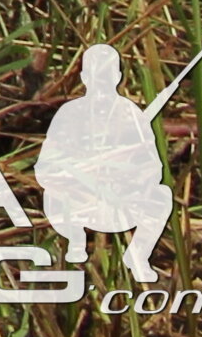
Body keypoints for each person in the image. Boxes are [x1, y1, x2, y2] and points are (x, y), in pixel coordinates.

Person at [38, 43, 176, 284]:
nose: (101, 82)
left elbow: (153, 166)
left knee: (161, 196)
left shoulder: (130, 113)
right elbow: (45, 168)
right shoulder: (69, 113)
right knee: (52, 195)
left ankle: (138, 256)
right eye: (95, 75)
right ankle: (75, 244)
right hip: (78, 201)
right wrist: (79, 176)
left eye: (107, 75)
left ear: (118, 77)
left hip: (120, 199)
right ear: (84, 77)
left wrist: (126, 175)